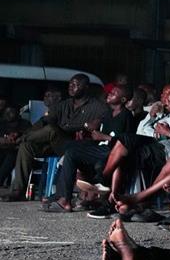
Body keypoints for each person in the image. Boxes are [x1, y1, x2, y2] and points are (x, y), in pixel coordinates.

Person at [3, 74, 110, 202]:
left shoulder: (97, 106)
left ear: (86, 87)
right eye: (70, 84)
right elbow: (44, 121)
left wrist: (90, 126)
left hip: (79, 147)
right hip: (57, 144)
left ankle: (18, 140)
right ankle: (18, 191)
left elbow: (104, 121)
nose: (71, 87)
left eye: (75, 84)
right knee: (27, 146)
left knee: (51, 130)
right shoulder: (64, 105)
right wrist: (24, 133)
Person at [44, 84, 137, 212]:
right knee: (70, 148)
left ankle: (66, 199)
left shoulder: (127, 116)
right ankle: (64, 195)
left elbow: (127, 142)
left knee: (73, 154)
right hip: (100, 149)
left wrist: (103, 137)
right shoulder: (108, 114)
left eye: (114, 93)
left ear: (123, 100)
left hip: (112, 153)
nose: (110, 94)